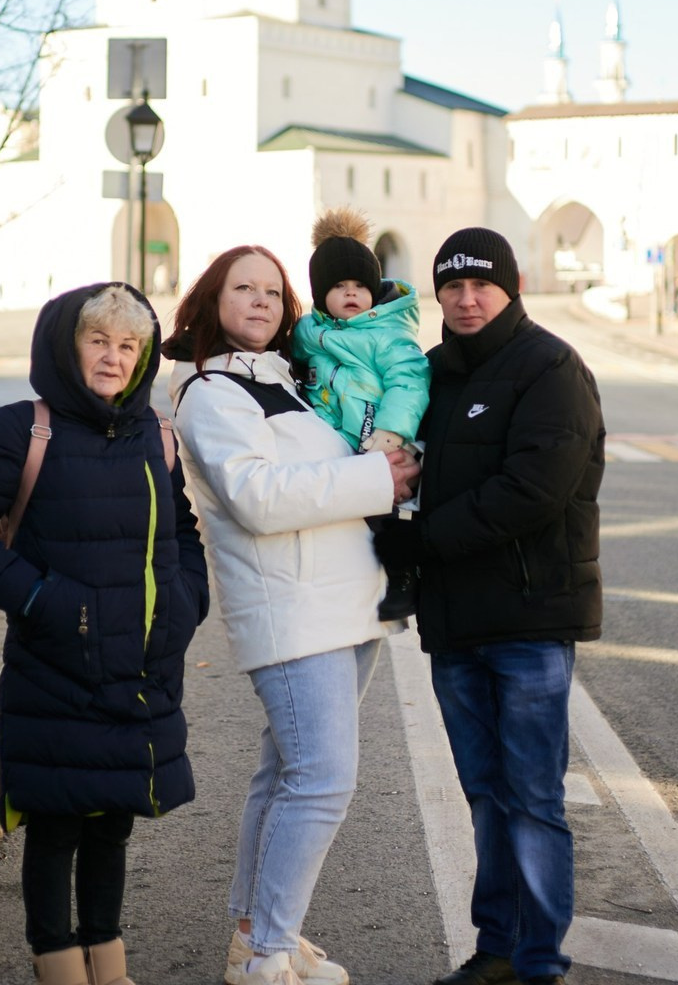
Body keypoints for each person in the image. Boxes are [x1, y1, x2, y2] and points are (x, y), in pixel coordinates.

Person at [0, 282, 209, 985]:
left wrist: (184, 603)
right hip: (56, 664)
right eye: (99, 342)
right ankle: (58, 968)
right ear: (68, 344)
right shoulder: (23, 428)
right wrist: (43, 600)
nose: (113, 359)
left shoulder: (154, 432)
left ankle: (108, 966)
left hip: (143, 667)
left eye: (128, 346)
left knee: (113, 819)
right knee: (55, 824)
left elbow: (180, 530)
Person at [163, 245, 418, 985]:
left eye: (272, 292)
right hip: (292, 609)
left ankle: (259, 934)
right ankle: (268, 951)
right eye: (243, 288)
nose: (261, 301)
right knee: (323, 780)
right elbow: (258, 496)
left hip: (342, 605)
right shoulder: (211, 390)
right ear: (211, 301)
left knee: (285, 775)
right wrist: (376, 475)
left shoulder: (278, 378)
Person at [373, 227, 605, 985]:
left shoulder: (551, 368)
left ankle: (540, 964)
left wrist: (424, 541)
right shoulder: (429, 374)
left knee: (533, 799)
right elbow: (397, 459)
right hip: (456, 623)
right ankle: (498, 951)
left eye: (482, 285)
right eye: (453, 286)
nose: (466, 299)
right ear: (436, 293)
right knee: (485, 796)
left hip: (530, 623)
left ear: (512, 287)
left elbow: (534, 491)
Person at [292, 207, 430, 619]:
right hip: (335, 442)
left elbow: (410, 380)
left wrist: (391, 434)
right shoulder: (307, 332)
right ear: (320, 295)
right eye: (338, 286)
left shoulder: (387, 334)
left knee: (395, 519)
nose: (351, 293)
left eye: (359, 285)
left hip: (381, 443)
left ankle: (404, 578)